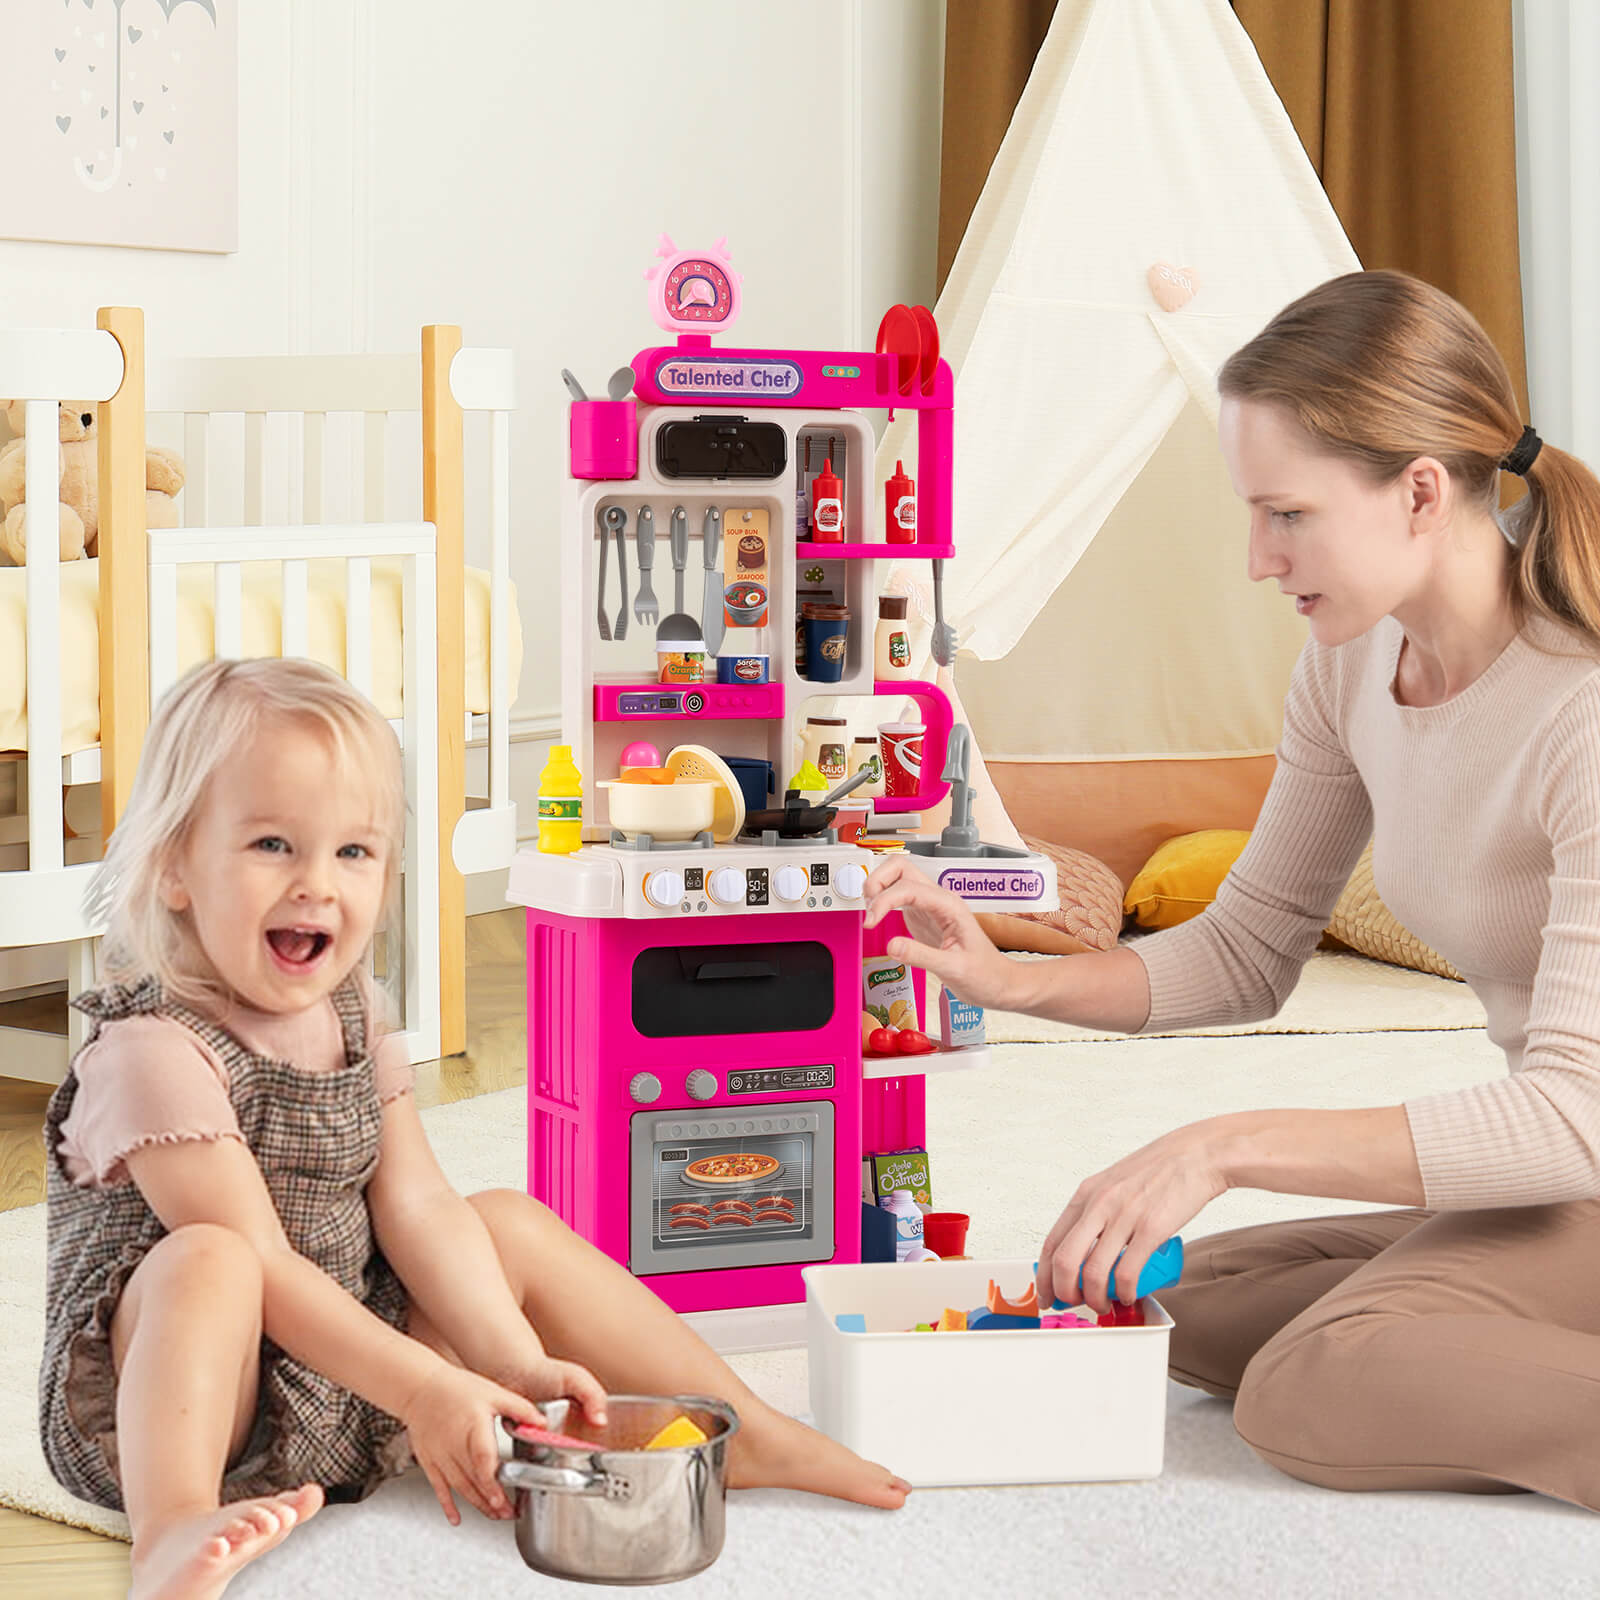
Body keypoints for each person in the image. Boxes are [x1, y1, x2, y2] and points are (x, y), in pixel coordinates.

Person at [865, 268, 1600, 1511]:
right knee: (1170, 1303)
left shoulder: (1579, 707)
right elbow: (1247, 950)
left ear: (1421, 492)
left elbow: (1576, 1114)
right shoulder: (1352, 665)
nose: (1258, 559)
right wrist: (1005, 977)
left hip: (1578, 1152)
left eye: (1286, 514)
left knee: (1315, 1381)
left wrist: (1224, 1144)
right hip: (1566, 1181)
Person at [40, 658, 909, 1600]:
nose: (316, 885)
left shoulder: (353, 1012)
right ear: (175, 867)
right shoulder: (152, 1049)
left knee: (501, 1219)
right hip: (191, 1411)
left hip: (347, 1384)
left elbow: (415, 1205)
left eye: (353, 852)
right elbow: (267, 1266)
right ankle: (171, 1530)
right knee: (211, 1257)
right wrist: (423, 1387)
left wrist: (508, 1359)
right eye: (272, 845)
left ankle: (753, 1431)